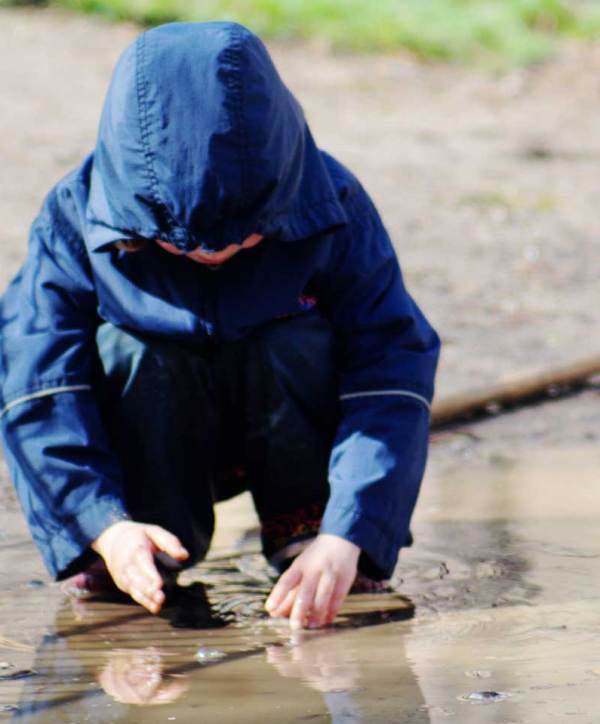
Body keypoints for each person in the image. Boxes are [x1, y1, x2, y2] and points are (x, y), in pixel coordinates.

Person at [0, 22, 439, 629]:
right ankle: (141, 545)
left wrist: (353, 529)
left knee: (300, 339)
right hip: (153, 432)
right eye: (187, 246)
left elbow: (391, 368)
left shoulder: (332, 200)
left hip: (287, 422)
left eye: (245, 236)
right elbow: (36, 384)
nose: (214, 255)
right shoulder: (75, 214)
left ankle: (306, 532)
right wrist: (98, 523)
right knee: (123, 346)